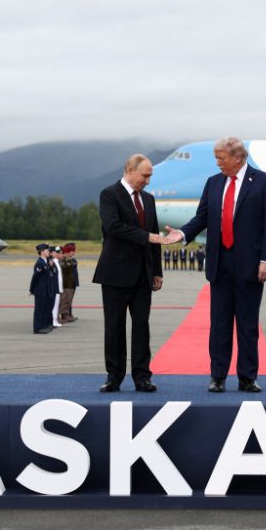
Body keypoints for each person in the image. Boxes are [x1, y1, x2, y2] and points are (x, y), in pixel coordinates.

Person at [165, 137, 266, 393]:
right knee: (219, 325)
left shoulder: (264, 183)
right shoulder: (213, 183)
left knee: (248, 325)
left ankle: (247, 378)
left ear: (238, 158)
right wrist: (183, 235)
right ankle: (217, 376)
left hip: (251, 266)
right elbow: (202, 217)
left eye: (221, 158)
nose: (218, 163)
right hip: (220, 264)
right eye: (216, 158)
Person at [92, 154, 164, 393]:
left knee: (142, 326)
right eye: (145, 175)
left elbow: (155, 239)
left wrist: (157, 271)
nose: (148, 181)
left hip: (143, 275)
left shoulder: (149, 200)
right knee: (114, 327)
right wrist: (147, 237)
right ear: (129, 170)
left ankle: (142, 376)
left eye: (150, 176)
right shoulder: (109, 195)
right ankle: (114, 376)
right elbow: (113, 227)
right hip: (115, 273)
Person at [29, 244, 56, 334]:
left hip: (45, 290)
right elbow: (35, 278)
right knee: (39, 310)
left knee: (44, 309)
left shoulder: (45, 262)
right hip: (40, 290)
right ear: (42, 252)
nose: (49, 252)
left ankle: (43, 326)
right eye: (47, 251)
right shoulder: (40, 263)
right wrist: (31, 289)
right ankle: (37, 328)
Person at [59, 243, 79, 323]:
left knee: (68, 300)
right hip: (65, 284)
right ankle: (64, 315)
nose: (73, 253)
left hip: (70, 283)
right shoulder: (63, 260)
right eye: (71, 251)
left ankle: (67, 314)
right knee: (64, 300)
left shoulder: (71, 260)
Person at [50, 246, 64, 328]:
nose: (56, 253)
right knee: (54, 305)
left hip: (58, 287)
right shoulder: (52, 262)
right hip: (55, 287)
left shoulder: (56, 261)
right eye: (55, 252)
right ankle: (53, 321)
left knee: (56, 305)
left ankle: (55, 320)